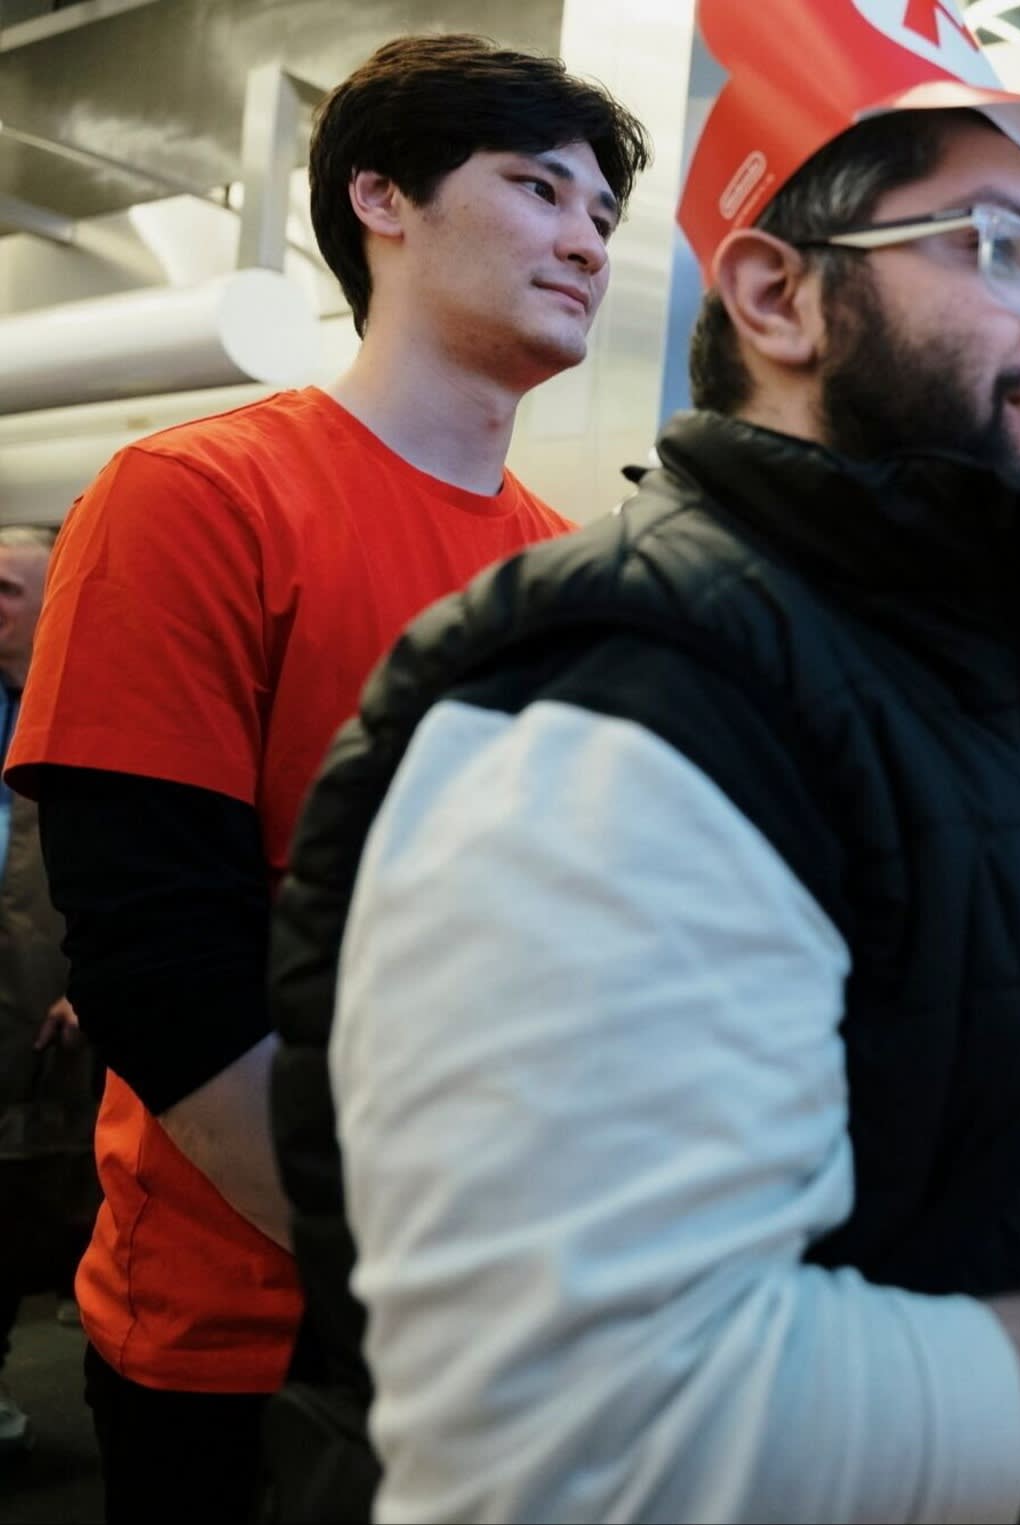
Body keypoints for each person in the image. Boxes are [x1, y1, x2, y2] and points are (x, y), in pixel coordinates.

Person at [265, 6, 1020, 1520]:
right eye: (993, 247)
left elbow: (911, 1184)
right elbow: (586, 1445)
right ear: (777, 298)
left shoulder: (918, 696)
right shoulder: (632, 691)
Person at [1, 36, 647, 1522]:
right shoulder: (198, 496)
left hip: (522, 1317)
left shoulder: (570, 568)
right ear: (379, 197)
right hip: (259, 1333)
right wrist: (394, 1266)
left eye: (603, 217)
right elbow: (163, 964)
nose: (583, 240)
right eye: (538, 187)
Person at [0, 525, 96, 1459]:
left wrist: (89, 983)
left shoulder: (88, 704)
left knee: (48, 1184)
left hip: (58, 997)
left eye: (6, 590)